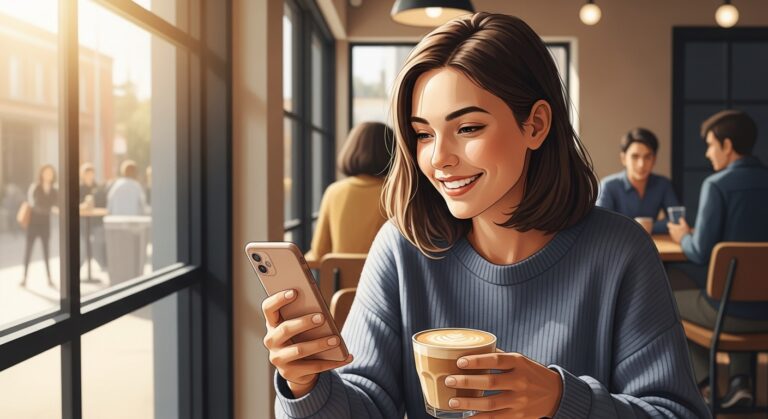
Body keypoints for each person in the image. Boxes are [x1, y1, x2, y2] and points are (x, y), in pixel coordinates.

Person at [262, 13, 709, 418]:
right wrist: (307, 386)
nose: (439, 158)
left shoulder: (620, 251)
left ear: (534, 125)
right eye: (422, 134)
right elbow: (366, 405)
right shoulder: (402, 249)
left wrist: (560, 400)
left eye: (468, 127)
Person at [668, 109, 768, 408]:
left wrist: (682, 236)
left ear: (727, 145)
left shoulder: (717, 185)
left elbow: (698, 252)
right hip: (766, 311)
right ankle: (740, 383)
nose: (708, 154)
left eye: (711, 145)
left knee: (664, 300)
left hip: (730, 314)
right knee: (738, 289)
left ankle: (705, 384)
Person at [304, 121, 394, 263]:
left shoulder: (334, 192)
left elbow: (318, 254)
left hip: (339, 283)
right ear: (391, 152)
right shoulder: (398, 193)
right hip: (385, 283)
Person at [596, 127, 679, 233]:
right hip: (617, 246)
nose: (641, 164)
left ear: (654, 159)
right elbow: (600, 224)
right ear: (623, 158)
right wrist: (637, 227)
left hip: (651, 245)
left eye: (647, 157)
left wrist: (651, 227)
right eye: (635, 157)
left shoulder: (663, 184)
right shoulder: (608, 186)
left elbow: (676, 220)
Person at [21, 164, 59, 287]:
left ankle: (49, 278)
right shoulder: (35, 187)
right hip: (33, 224)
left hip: (45, 224)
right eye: (46, 172)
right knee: (28, 250)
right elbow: (33, 204)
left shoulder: (54, 190)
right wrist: (50, 210)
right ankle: (24, 277)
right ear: (41, 174)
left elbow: (58, 204)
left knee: (46, 251)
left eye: (50, 173)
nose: (48, 175)